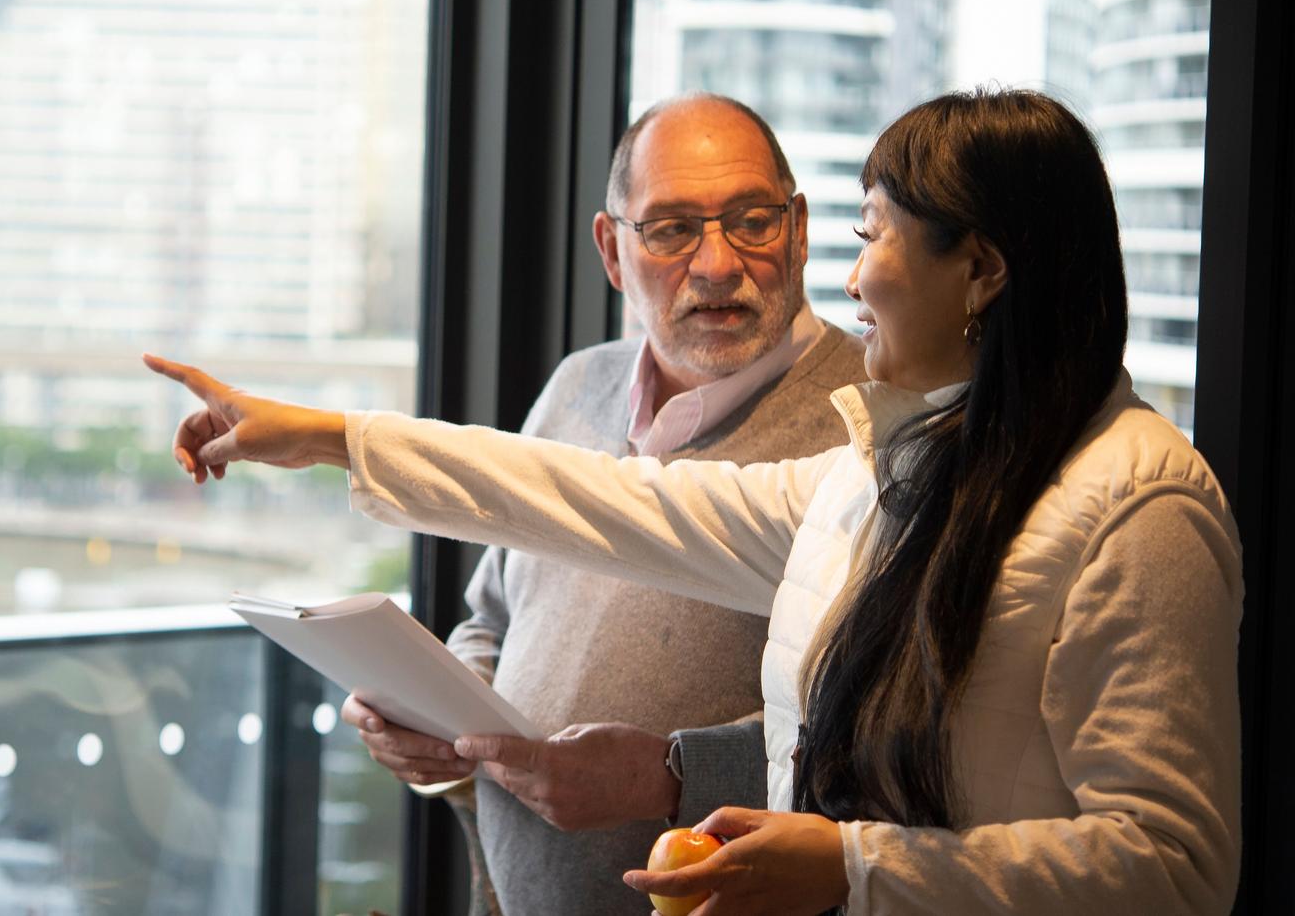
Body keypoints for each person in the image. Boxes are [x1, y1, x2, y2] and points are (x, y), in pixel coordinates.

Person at [146, 89, 1242, 914]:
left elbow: (1175, 867)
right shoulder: (888, 473)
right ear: (613, 248)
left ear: (983, 272)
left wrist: (849, 862)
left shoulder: (1140, 506)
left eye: (870, 240)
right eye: (673, 228)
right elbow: (605, 501)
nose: (852, 281)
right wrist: (331, 438)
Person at [340, 95, 865, 915]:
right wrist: (443, 717)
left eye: (752, 220)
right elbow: (491, 614)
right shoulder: (577, 384)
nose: (719, 264)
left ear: (798, 228)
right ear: (612, 252)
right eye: (671, 229)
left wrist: (671, 775)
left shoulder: (873, 420)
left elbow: (900, 727)